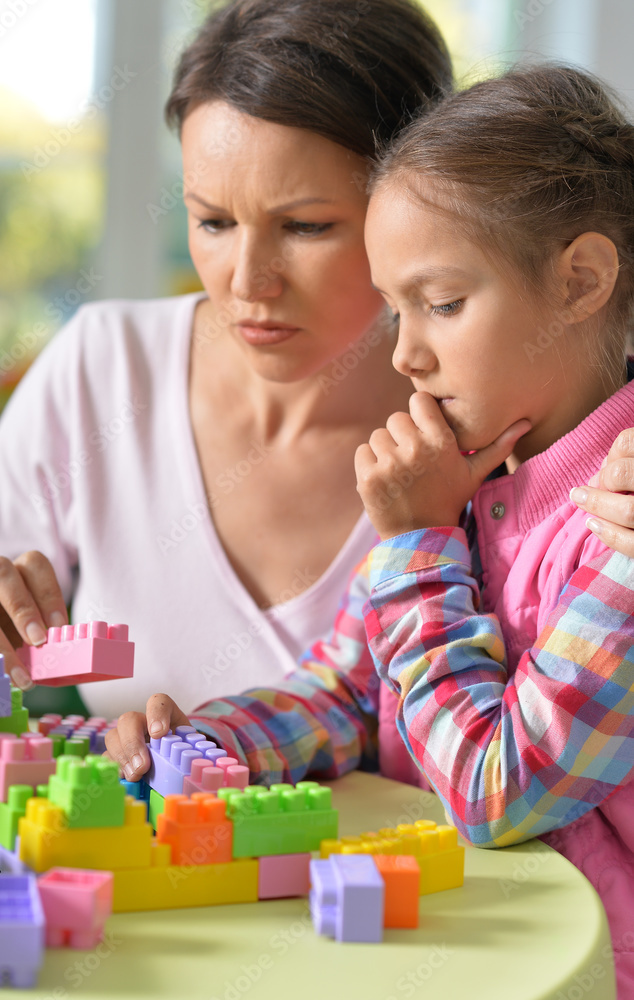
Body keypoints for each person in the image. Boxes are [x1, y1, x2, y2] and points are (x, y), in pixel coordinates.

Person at [109, 66, 634, 992]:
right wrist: (212, 747)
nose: (404, 353)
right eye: (397, 309)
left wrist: (414, 547)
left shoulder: (618, 524)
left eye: (442, 303)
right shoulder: (466, 482)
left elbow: (494, 789)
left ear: (581, 281)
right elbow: (353, 695)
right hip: (436, 955)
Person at [0, 0, 452, 713]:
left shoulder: (481, 425)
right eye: (214, 221)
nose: (247, 282)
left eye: (306, 225)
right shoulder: (105, 368)